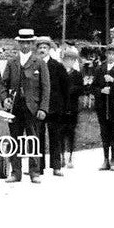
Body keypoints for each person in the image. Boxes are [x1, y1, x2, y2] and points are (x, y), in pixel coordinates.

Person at [0, 29, 50, 182]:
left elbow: (46, 87)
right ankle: (16, 172)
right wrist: (5, 99)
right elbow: (3, 84)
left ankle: (34, 172)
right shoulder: (12, 62)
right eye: (23, 42)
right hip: (15, 107)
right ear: (19, 43)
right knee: (14, 139)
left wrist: (43, 108)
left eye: (28, 42)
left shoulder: (39, 62)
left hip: (32, 107)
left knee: (33, 138)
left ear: (32, 44)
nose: (25, 45)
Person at [93, 43, 114, 171]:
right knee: (104, 132)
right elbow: (93, 87)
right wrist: (101, 91)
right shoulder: (99, 69)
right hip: (102, 105)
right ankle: (105, 159)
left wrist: (113, 80)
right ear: (106, 54)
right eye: (109, 53)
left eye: (113, 54)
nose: (111, 56)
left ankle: (113, 159)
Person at [38, 36, 70, 175]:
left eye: (45, 48)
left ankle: (56, 166)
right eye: (40, 48)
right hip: (39, 107)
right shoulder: (34, 64)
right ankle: (39, 167)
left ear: (49, 50)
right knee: (38, 136)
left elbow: (65, 87)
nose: (42, 50)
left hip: (55, 107)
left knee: (55, 137)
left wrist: (64, 107)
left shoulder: (57, 66)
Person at [60, 46, 85, 169]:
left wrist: (72, 89)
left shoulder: (77, 74)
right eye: (67, 59)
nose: (69, 61)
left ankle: (70, 155)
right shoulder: (59, 72)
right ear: (63, 60)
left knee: (71, 132)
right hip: (61, 107)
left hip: (73, 106)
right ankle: (61, 156)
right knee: (60, 132)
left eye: (72, 59)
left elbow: (82, 89)